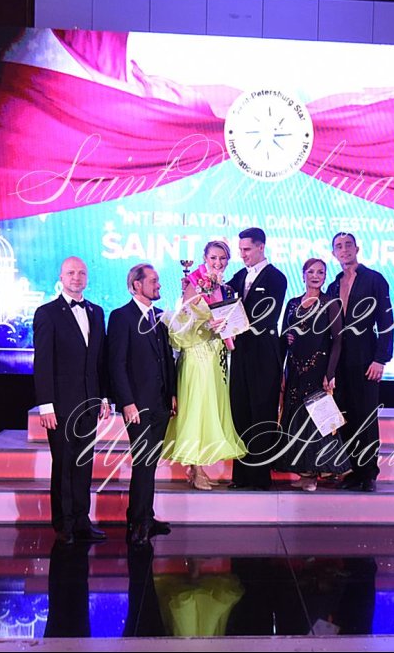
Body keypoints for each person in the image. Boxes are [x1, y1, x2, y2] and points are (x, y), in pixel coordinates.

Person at [33, 256, 110, 545]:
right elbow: (43, 362)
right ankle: (64, 524)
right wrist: (46, 405)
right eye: (70, 273)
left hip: (89, 403)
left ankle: (81, 521)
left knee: (83, 464)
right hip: (61, 405)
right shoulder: (47, 313)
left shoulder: (96, 312)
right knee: (64, 465)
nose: (76, 277)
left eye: (81, 273)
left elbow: (100, 360)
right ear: (61, 277)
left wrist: (104, 396)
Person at [162, 241, 246, 490]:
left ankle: (198, 466)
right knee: (197, 410)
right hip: (197, 354)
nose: (218, 263)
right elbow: (184, 321)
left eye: (223, 258)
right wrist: (206, 324)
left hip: (216, 355)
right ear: (205, 258)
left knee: (211, 410)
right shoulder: (194, 283)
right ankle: (195, 467)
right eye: (213, 258)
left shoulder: (226, 289)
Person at [107, 263, 177, 546]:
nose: (158, 285)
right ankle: (138, 522)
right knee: (144, 461)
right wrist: (126, 402)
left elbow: (167, 359)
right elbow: (116, 363)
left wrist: (172, 394)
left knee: (150, 462)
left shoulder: (160, 316)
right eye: (153, 280)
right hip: (137, 406)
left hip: (160, 403)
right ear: (136, 284)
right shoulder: (121, 316)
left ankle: (146, 516)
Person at [326, 233, 394, 493]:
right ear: (334, 253)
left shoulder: (374, 279)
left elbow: (386, 321)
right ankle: (353, 470)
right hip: (339, 360)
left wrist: (380, 359)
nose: (344, 250)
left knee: (365, 416)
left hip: (366, 357)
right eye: (338, 247)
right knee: (345, 416)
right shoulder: (334, 284)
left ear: (357, 248)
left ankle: (368, 474)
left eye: (348, 245)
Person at [275, 258, 350, 491]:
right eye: (311, 272)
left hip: (318, 370)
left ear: (325, 276)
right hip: (295, 368)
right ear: (303, 274)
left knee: (317, 419)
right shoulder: (292, 303)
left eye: (320, 272)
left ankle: (315, 473)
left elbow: (338, 341)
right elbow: (285, 336)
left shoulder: (331, 303)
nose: (315, 276)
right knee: (295, 418)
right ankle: (304, 472)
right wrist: (282, 368)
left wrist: (330, 373)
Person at [225, 227, 288, 490]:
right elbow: (220, 298)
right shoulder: (240, 276)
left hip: (264, 353)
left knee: (262, 412)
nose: (243, 255)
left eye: (247, 249)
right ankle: (241, 476)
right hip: (240, 353)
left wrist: (232, 321)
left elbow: (265, 315)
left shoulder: (276, 278)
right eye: (240, 250)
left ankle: (260, 477)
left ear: (261, 247)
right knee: (240, 409)